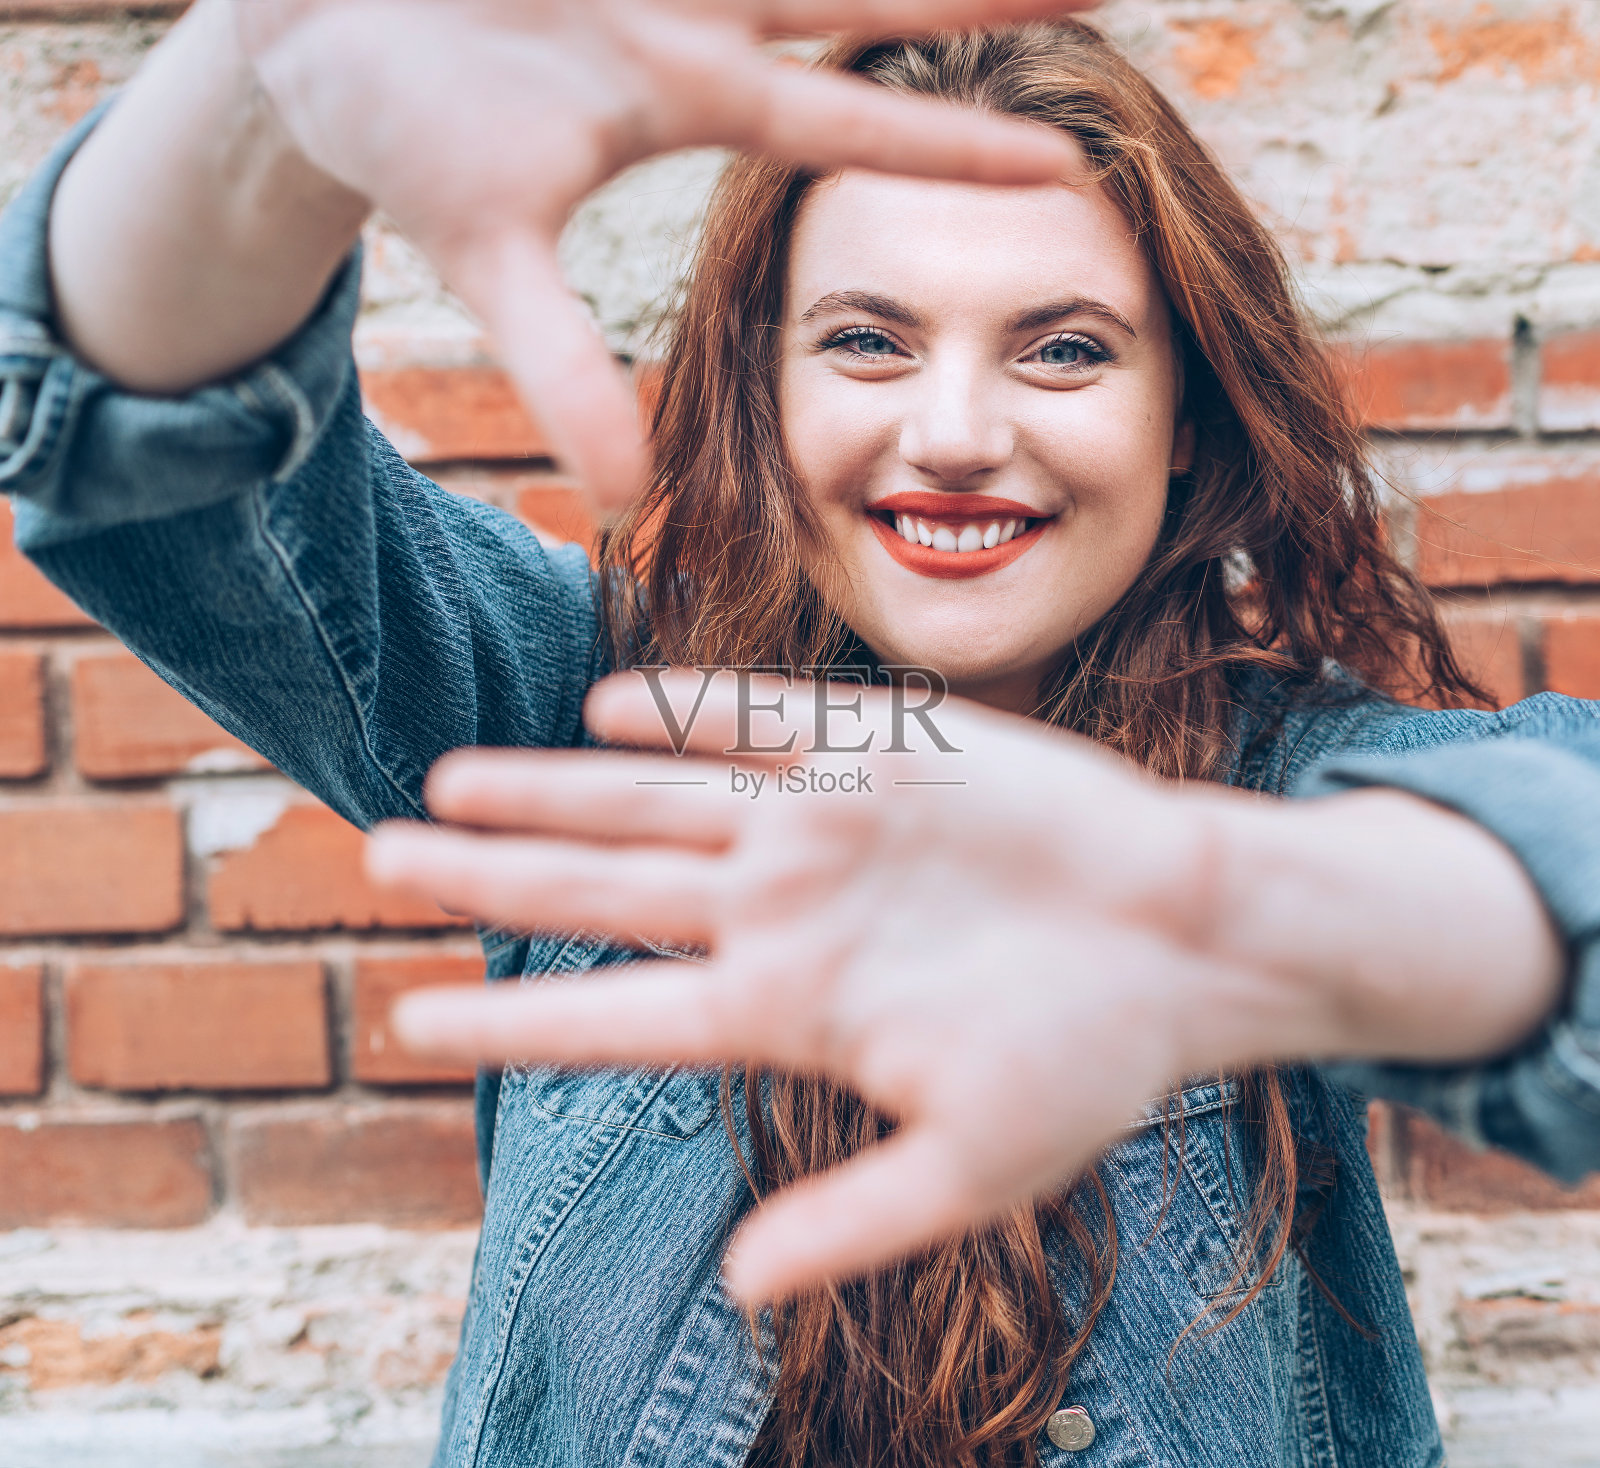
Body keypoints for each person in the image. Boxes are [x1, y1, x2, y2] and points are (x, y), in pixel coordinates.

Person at [0, 6, 1582, 1468]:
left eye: (1067, 347)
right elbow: (154, 469)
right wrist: (266, 93)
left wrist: (1239, 904)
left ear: (1187, 425)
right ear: (768, 399)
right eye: (868, 341)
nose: (957, 435)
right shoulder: (593, 719)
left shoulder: (1285, 791)